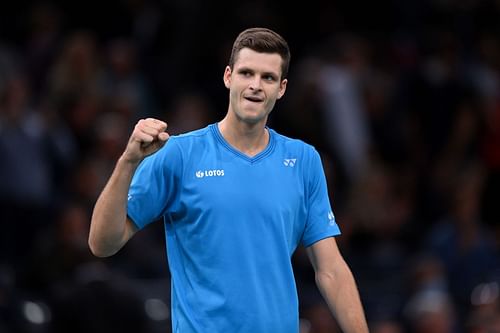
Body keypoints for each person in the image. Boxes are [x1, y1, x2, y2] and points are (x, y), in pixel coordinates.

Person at [89, 27, 369, 333]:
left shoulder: (304, 160)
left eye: (268, 77)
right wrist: (128, 161)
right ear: (228, 77)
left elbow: (331, 270)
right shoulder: (179, 154)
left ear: (282, 88)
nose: (255, 86)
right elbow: (102, 244)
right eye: (246, 73)